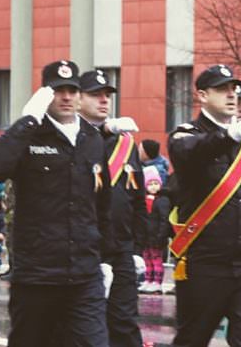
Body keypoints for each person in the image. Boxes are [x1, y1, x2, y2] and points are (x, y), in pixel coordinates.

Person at [0, 60, 113, 346]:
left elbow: (103, 204)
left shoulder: (92, 139)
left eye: (72, 90)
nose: (66, 97)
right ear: (45, 94)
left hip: (83, 274)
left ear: (80, 95)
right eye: (58, 90)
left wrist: (107, 259)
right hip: (37, 276)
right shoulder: (30, 134)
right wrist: (27, 120)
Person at [167, 64, 241, 347]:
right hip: (206, 262)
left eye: (234, 89)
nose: (231, 95)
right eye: (222, 89)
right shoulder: (187, 134)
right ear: (203, 96)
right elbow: (190, 152)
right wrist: (228, 136)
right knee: (193, 338)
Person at [79, 69, 146, 346]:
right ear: (79, 99)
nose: (104, 101)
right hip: (85, 249)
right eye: (96, 95)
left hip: (121, 249)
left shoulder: (125, 142)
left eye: (107, 95)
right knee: (83, 327)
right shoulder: (73, 137)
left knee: (124, 324)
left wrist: (137, 250)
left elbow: (137, 199)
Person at [139, 165, 170, 294]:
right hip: (146, 236)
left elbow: (164, 220)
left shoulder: (162, 200)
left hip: (157, 236)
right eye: (150, 183)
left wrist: (161, 235)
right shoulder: (144, 200)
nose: (153, 186)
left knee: (157, 260)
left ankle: (157, 282)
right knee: (147, 259)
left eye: (155, 183)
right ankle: (148, 279)